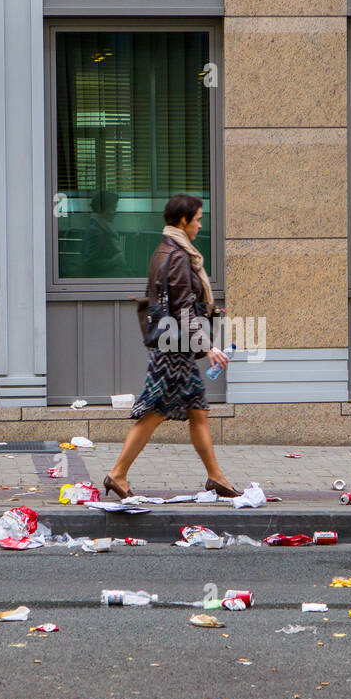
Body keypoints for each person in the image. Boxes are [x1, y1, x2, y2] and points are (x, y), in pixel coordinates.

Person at [104, 193, 238, 499]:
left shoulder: (165, 249)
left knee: (198, 411)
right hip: (174, 351)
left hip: (174, 347)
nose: (201, 225)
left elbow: (179, 303)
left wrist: (210, 313)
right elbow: (181, 309)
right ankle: (117, 474)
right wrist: (208, 347)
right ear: (183, 221)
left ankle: (216, 477)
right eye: (198, 219)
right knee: (154, 412)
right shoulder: (177, 255)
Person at [82, 190, 128, 277]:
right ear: (103, 210)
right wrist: (113, 262)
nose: (115, 212)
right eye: (113, 209)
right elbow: (88, 264)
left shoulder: (100, 228)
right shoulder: (97, 232)